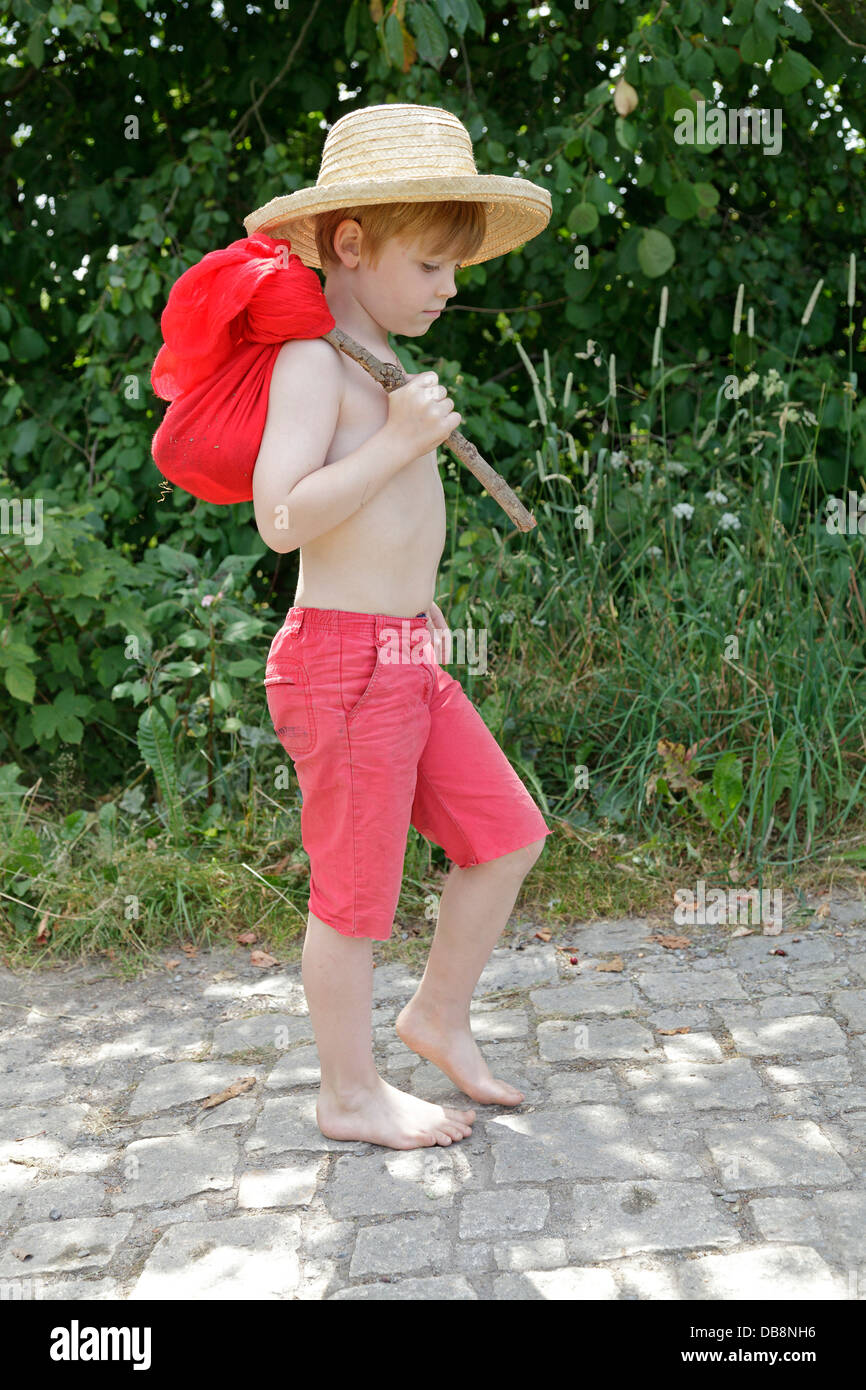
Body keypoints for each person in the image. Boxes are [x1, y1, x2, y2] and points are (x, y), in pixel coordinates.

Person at [249, 103, 553, 1151]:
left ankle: (437, 1015)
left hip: (408, 653)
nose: (448, 287)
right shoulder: (314, 364)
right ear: (349, 245)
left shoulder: (378, 360)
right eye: (430, 264)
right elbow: (280, 518)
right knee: (351, 899)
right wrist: (396, 441)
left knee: (507, 835)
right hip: (340, 665)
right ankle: (347, 1093)